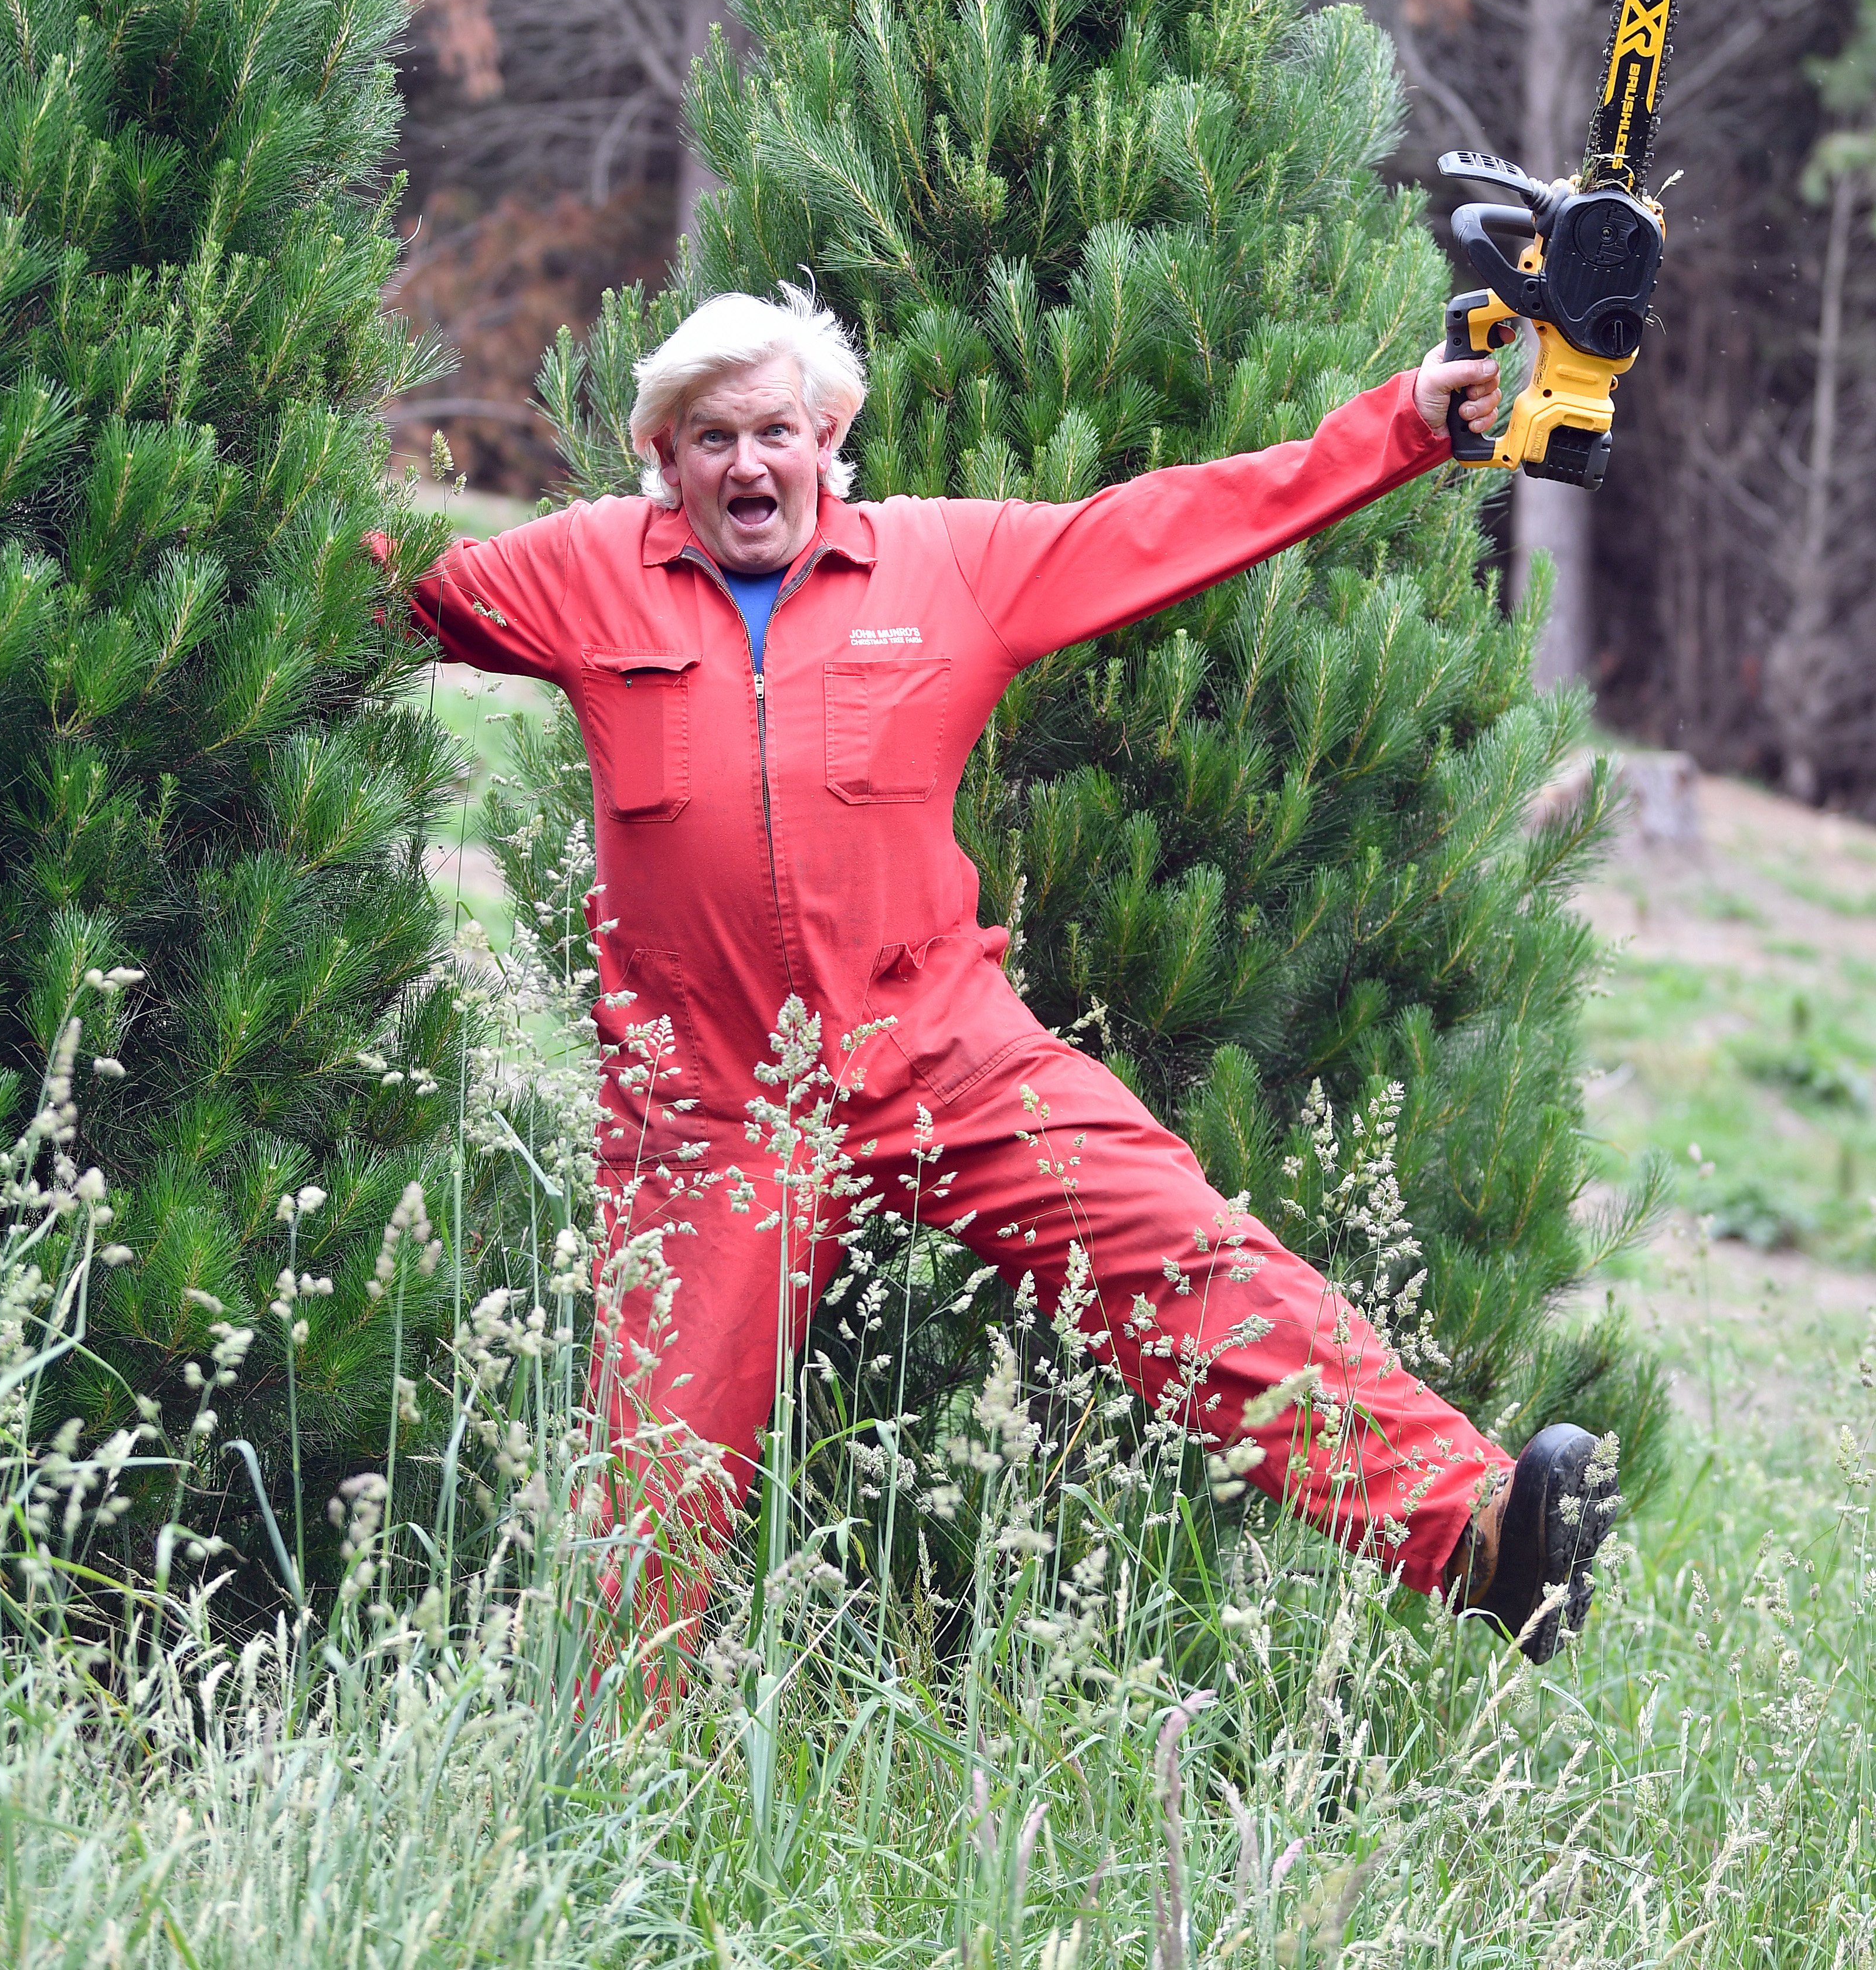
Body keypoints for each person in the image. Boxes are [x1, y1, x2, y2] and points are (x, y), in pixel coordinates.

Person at [401, 285, 1618, 1664]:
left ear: (829, 435)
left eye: (777, 431)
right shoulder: (581, 574)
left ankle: (1471, 1535)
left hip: (938, 1053)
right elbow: (375, 584)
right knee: (650, 1484)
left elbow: (1173, 523)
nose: (749, 464)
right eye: (711, 438)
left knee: (1187, 1258)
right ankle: (597, 1799)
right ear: (664, 459)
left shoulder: (940, 565)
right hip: (710, 1109)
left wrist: (1399, 424)